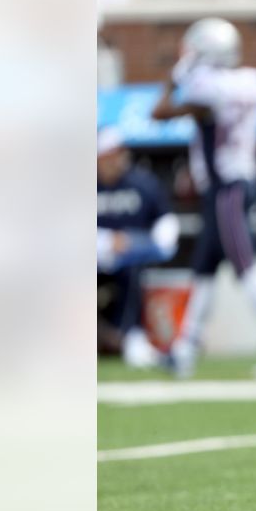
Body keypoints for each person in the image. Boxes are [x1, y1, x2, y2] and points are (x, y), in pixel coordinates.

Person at [150, 17, 256, 377]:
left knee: (247, 265)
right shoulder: (250, 80)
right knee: (204, 268)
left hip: (227, 188)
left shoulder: (206, 84)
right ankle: (185, 348)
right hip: (234, 183)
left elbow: (159, 111)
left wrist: (176, 74)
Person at [97, 127, 179, 369]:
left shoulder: (141, 183)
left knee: (132, 272)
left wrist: (143, 241)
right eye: (111, 154)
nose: (118, 159)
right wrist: (105, 241)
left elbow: (165, 222)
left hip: (129, 259)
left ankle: (129, 336)